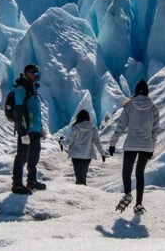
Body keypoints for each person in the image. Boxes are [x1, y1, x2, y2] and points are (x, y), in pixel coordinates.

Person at [108, 79, 159, 214]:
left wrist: (113, 143)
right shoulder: (153, 107)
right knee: (140, 174)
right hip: (146, 145)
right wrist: (152, 148)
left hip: (131, 143)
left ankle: (127, 194)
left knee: (126, 172)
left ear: (135, 91)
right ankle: (139, 204)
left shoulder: (130, 106)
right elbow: (155, 130)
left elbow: (120, 126)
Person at [12, 63, 46, 194]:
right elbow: (19, 111)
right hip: (26, 130)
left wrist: (40, 128)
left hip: (35, 129)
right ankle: (17, 184)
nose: (38, 77)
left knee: (34, 156)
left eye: (39, 74)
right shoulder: (21, 88)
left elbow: (36, 111)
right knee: (22, 156)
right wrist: (22, 131)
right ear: (28, 73)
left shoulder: (33, 88)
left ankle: (32, 181)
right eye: (36, 74)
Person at [65, 109, 105, 185]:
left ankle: (80, 192)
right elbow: (97, 143)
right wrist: (102, 154)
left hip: (76, 155)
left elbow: (69, 141)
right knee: (83, 174)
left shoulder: (75, 128)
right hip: (87, 155)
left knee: (79, 175)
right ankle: (83, 191)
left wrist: (61, 142)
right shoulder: (93, 129)